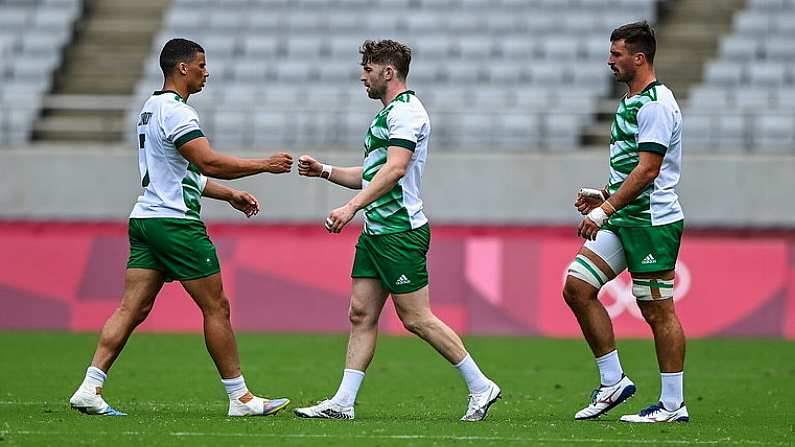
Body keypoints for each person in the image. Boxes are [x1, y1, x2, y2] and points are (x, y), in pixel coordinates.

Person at [68, 38, 293, 417]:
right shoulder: (177, 113)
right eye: (202, 65)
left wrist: (229, 195)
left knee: (131, 308)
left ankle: (90, 387)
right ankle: (240, 398)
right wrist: (264, 164)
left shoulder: (150, 108)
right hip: (175, 223)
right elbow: (207, 163)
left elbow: (181, 173)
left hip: (146, 219)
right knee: (216, 306)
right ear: (182, 68)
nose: (207, 72)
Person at [293, 39, 500, 421]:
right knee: (360, 313)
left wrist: (352, 208)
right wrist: (324, 170)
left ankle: (481, 385)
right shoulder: (387, 115)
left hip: (400, 231)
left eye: (368, 69)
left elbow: (395, 170)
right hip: (377, 232)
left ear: (389, 72)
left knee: (417, 318)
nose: (362, 76)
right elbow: (372, 174)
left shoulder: (407, 113)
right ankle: (343, 402)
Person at [563, 22, 689, 423]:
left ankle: (672, 405)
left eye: (616, 54)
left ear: (639, 58)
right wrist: (605, 195)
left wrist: (605, 210)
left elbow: (649, 170)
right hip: (626, 216)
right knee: (577, 287)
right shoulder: (633, 99)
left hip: (652, 221)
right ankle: (613, 381)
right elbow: (632, 171)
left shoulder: (654, 103)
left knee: (658, 312)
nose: (609, 61)